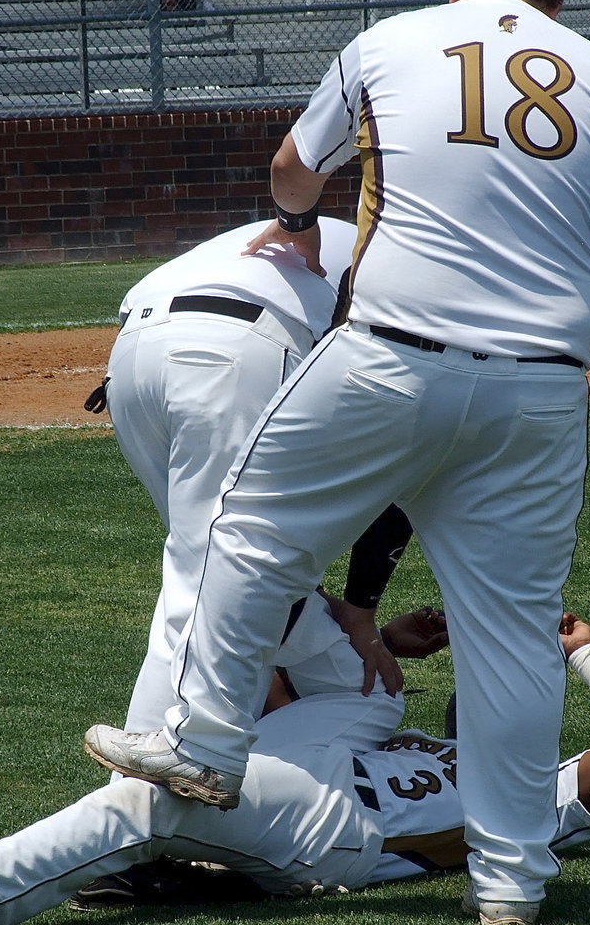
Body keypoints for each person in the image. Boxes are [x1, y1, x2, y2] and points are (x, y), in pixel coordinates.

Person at [81, 0, 590, 925]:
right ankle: (509, 887)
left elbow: (294, 168)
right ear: (552, 6)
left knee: (251, 527)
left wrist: (290, 219)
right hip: (542, 387)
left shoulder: (391, 40)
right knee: (507, 637)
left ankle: (205, 743)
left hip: (392, 352)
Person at [0, 605, 590, 925]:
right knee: (363, 677)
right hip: (322, 779)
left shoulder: (549, 796)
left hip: (343, 831)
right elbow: (300, 700)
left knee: (142, 804)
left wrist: (583, 653)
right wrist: (380, 644)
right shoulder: (415, 735)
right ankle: (239, 567)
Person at [84, 217, 406, 740]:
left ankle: (323, 702)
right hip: (236, 351)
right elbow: (399, 463)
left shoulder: (363, 233)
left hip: (132, 358)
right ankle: (144, 783)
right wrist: (362, 610)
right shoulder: (413, 268)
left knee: (222, 566)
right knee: (215, 580)